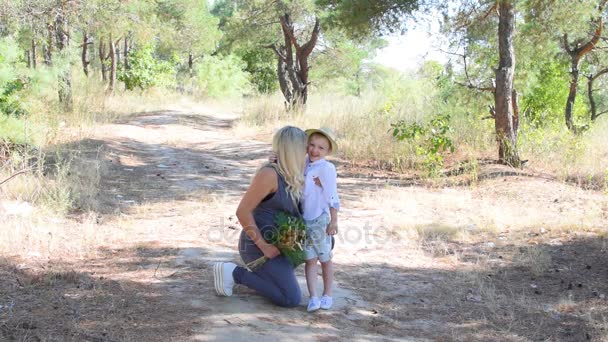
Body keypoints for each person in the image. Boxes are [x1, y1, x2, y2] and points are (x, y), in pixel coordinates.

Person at [213, 126, 307, 308]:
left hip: (281, 246)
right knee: (290, 298)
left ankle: (271, 277)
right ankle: (234, 273)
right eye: (304, 147)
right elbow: (242, 211)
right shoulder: (270, 174)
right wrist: (263, 246)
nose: (308, 152)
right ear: (294, 150)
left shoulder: (296, 174)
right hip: (259, 247)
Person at [301, 128, 340, 312]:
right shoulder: (304, 164)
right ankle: (313, 297)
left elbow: (332, 196)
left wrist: (334, 221)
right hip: (305, 219)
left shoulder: (327, 168)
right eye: (312, 145)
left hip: (320, 219)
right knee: (310, 259)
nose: (315, 150)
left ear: (327, 151)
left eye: (321, 148)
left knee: (324, 259)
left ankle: (328, 294)